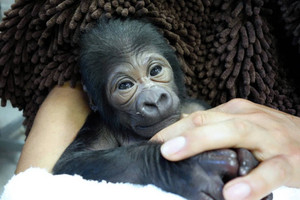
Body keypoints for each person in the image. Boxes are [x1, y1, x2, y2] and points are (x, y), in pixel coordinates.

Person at [16, 81, 300, 200]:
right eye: (125, 85)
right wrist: (152, 162)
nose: (154, 96)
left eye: (155, 72)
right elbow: (36, 188)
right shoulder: (79, 97)